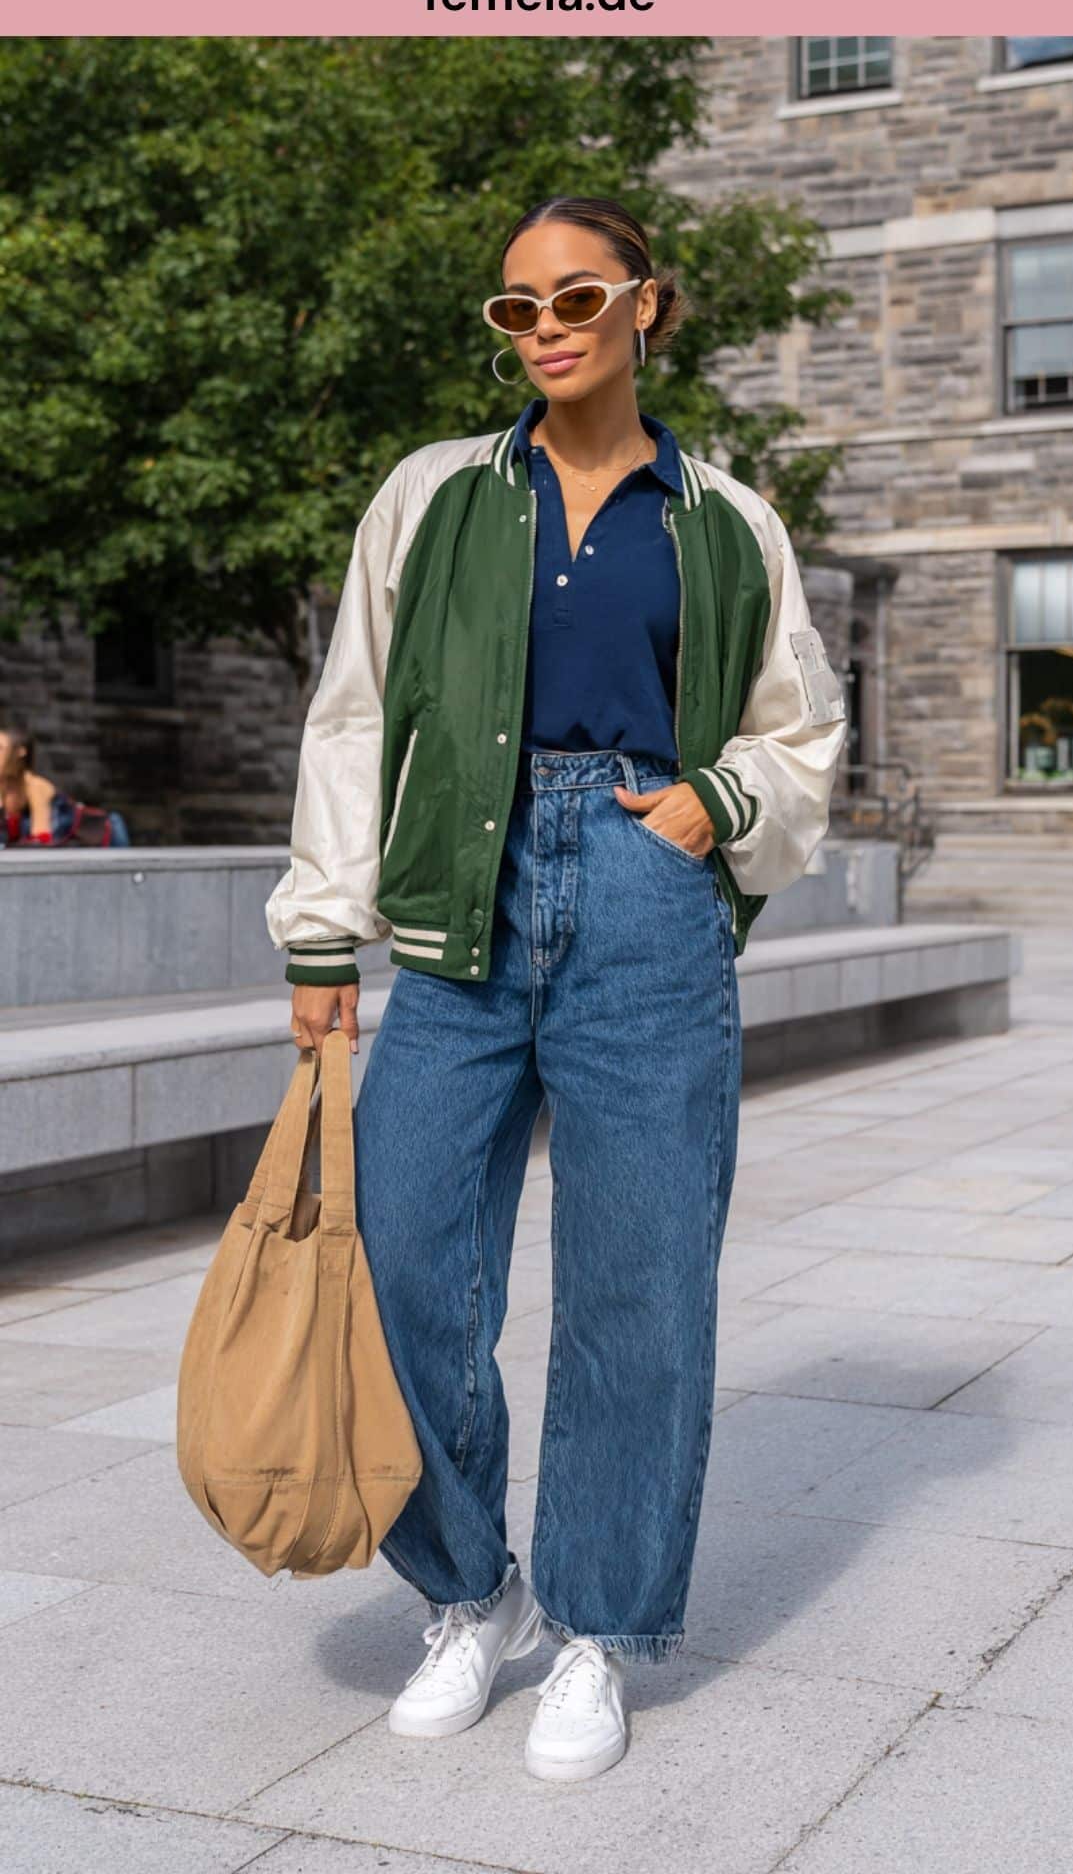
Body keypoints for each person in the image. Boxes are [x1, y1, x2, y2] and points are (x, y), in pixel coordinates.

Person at [265, 194, 847, 1782]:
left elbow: (798, 726)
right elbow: (352, 713)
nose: (546, 327)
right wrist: (324, 933)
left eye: (576, 294)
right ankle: (472, 1593)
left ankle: (596, 1625)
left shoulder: (721, 515)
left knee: (639, 1285)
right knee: (402, 1255)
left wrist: (709, 810)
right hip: (461, 902)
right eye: (514, 310)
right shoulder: (434, 497)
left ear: (646, 304)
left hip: (649, 898)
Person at [0, 719, 132, 847]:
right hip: (72, 850)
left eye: (0, 748)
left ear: (20, 752)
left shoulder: (35, 786)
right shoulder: (4, 787)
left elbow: (40, 839)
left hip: (103, 835)